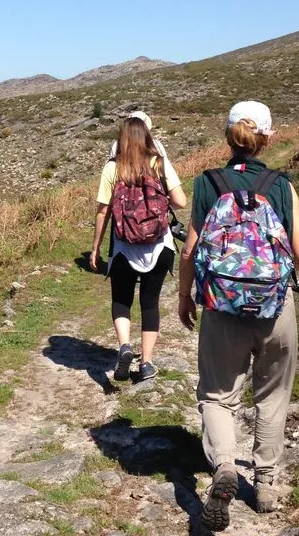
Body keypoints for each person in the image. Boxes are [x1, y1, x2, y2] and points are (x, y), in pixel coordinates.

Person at [177, 101, 299, 531]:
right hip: (275, 308)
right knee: (272, 396)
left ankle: (225, 467)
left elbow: (191, 249)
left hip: (222, 307)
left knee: (216, 396)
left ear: (228, 136)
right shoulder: (281, 185)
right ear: (267, 138)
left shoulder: (207, 183)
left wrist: (184, 297)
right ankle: (265, 484)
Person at [91, 117, 187, 382]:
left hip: (123, 247)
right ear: (147, 136)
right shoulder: (159, 163)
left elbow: (103, 212)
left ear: (121, 138)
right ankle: (146, 363)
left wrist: (96, 247)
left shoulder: (112, 168)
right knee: (150, 303)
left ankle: (124, 346)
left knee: (121, 300)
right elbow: (180, 201)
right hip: (159, 245)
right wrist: (160, 205)